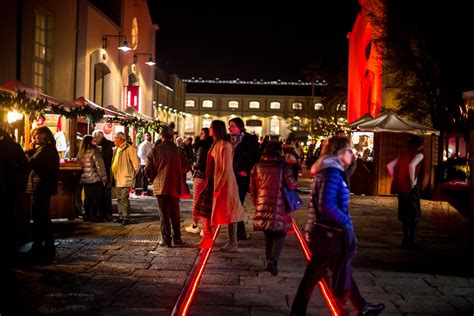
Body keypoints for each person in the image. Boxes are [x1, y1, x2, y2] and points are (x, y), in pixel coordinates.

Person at [291, 136, 384, 316]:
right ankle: (299, 311)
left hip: (326, 232)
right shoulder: (332, 172)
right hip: (330, 233)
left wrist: (311, 227)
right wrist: (346, 222)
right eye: (349, 150)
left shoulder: (330, 169)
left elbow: (316, 204)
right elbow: (326, 205)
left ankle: (362, 307)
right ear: (340, 152)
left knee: (334, 270)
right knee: (315, 274)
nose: (352, 153)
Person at [195, 120, 246, 250]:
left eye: (211, 127)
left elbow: (226, 168)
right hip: (212, 181)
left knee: (230, 211)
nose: (209, 129)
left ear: (216, 129)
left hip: (224, 184)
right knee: (204, 209)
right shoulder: (216, 144)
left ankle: (233, 242)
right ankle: (207, 237)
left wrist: (220, 186)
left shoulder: (225, 145)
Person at [250, 141, 297, 276]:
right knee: (280, 233)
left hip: (262, 202)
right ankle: (273, 260)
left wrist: (256, 203)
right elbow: (292, 185)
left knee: (268, 232)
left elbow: (252, 188)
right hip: (279, 204)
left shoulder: (257, 166)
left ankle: (268, 260)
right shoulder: (284, 166)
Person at [145, 126, 190, 247]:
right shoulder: (179, 150)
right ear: (172, 137)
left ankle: (166, 239)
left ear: (162, 136)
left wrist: (152, 178)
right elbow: (186, 168)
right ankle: (177, 238)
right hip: (175, 185)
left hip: (160, 186)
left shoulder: (155, 150)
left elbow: (148, 169)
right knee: (175, 212)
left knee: (164, 214)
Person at [25, 126, 60, 262]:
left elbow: (31, 163)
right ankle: (45, 245)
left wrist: (28, 151)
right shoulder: (46, 149)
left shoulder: (45, 150)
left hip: (41, 187)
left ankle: (41, 246)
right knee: (42, 217)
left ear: (45, 135)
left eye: (36, 135)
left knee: (40, 217)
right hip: (43, 186)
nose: (34, 138)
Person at [0, 126, 29, 284]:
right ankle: (9, 250)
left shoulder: (10, 147)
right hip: (9, 189)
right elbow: (25, 165)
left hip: (7, 188)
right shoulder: (13, 146)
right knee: (8, 219)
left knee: (7, 218)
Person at [387, 135, 424, 249]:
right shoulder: (419, 154)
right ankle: (411, 240)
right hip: (411, 188)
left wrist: (397, 177)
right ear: (420, 144)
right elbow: (411, 166)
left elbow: (390, 166)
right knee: (413, 214)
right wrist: (412, 182)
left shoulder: (403, 154)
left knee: (404, 213)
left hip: (401, 188)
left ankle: (404, 239)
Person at [228, 117, 260, 240]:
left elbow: (255, 157)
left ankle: (239, 232)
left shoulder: (249, 139)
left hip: (242, 177)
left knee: (238, 203)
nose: (229, 128)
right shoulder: (228, 139)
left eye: (232, 126)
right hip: (230, 176)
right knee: (235, 204)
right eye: (229, 126)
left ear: (240, 127)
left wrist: (246, 170)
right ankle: (238, 232)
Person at [185, 128, 213, 234]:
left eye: (202, 134)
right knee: (206, 202)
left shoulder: (201, 147)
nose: (200, 135)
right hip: (208, 177)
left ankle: (196, 225)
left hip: (200, 176)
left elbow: (199, 163)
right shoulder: (212, 146)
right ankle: (206, 227)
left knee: (197, 201)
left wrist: (193, 166)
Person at [77, 135, 108, 221]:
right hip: (94, 178)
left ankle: (87, 215)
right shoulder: (94, 150)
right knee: (97, 197)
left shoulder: (81, 152)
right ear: (91, 141)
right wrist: (104, 177)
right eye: (93, 140)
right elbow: (99, 165)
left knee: (88, 198)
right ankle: (93, 216)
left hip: (85, 179)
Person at [111, 132, 139, 225]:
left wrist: (132, 175)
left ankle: (126, 217)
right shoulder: (116, 148)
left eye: (116, 138)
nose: (114, 140)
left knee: (124, 198)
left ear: (121, 139)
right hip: (117, 177)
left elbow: (136, 164)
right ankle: (121, 216)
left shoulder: (129, 149)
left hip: (125, 178)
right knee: (119, 198)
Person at [93, 130, 114, 220]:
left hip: (106, 173)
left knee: (105, 194)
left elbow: (106, 160)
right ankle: (104, 213)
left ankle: (106, 213)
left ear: (100, 137)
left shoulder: (107, 145)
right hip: (104, 173)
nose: (94, 139)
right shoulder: (102, 145)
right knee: (103, 194)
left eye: (95, 137)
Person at [135, 131, 153, 196]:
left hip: (149, 163)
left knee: (147, 177)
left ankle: (146, 189)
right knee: (144, 177)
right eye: (147, 135)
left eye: (149, 135)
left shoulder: (151, 144)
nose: (149, 136)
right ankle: (144, 190)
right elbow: (140, 154)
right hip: (144, 163)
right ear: (144, 137)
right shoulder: (143, 144)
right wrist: (147, 160)